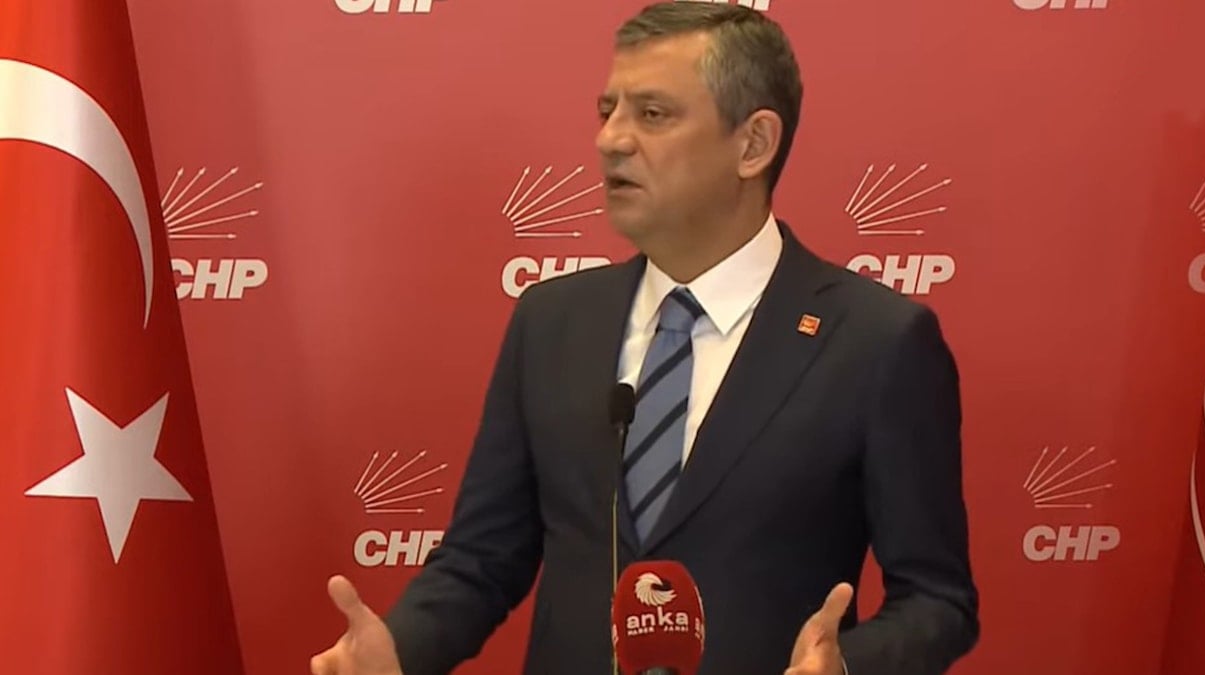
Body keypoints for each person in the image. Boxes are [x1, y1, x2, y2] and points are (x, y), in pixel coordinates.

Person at [310, 3, 979, 674]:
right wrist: (399, 650)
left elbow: (937, 600)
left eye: (653, 114)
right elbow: (481, 558)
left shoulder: (875, 341)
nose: (611, 139)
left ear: (753, 144)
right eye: (608, 111)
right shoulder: (552, 321)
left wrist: (848, 665)